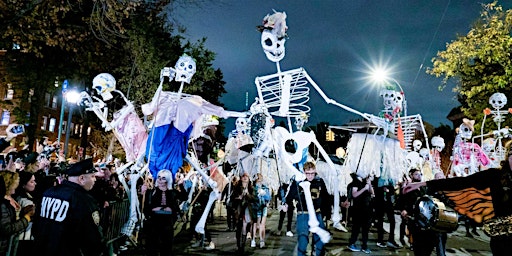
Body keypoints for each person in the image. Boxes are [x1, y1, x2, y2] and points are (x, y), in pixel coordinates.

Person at [403, 140, 512, 256]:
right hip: (502, 240)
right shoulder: (494, 176)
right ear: (508, 157)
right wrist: (422, 184)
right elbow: (460, 182)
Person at [33, 158, 105, 256]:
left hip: (42, 249)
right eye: (92, 176)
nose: (95, 179)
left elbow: (37, 223)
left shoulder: (48, 192)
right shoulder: (84, 200)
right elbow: (91, 236)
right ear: (82, 178)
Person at [287, 161, 330, 256]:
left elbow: (326, 198)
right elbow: (290, 196)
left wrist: (327, 214)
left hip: (317, 213)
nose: (310, 176)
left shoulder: (319, 181)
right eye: (308, 173)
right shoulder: (298, 181)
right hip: (303, 213)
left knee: (319, 241)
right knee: (303, 239)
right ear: (304, 172)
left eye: (312, 173)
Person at [142, 169, 181, 256]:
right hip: (154, 223)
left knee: (166, 248)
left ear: (167, 180)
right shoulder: (151, 192)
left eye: (163, 178)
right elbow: (146, 209)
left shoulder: (172, 193)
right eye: (159, 177)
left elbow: (179, 203)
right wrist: (142, 193)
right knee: (152, 248)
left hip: (167, 223)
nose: (160, 180)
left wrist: (181, 184)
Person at [0, 171, 35, 255]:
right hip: (4, 247)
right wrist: (26, 218)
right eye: (15, 183)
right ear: (8, 184)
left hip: (12, 244)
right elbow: (7, 228)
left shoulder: (12, 198)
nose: (17, 185)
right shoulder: (2, 204)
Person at [395, 169, 427, 252]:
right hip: (409, 209)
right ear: (412, 176)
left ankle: (413, 242)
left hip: (419, 211)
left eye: (420, 174)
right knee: (406, 224)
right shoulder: (409, 187)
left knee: (416, 227)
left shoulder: (423, 187)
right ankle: (403, 239)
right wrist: (403, 209)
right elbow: (403, 199)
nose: (419, 176)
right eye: (416, 174)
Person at [346, 172, 374, 254]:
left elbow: (372, 192)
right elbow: (354, 194)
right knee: (356, 227)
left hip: (366, 208)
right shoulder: (355, 182)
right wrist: (364, 189)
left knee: (366, 228)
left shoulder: (365, 182)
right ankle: (351, 243)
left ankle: (364, 246)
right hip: (357, 208)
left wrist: (369, 184)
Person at [13, 171, 37, 256]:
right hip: (24, 239)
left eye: (34, 180)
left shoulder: (21, 198)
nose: (35, 183)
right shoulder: (25, 201)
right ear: (23, 185)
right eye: (31, 181)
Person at [231, 172, 255, 253]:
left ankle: (243, 245)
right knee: (239, 227)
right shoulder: (237, 188)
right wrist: (239, 197)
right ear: (241, 178)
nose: (245, 178)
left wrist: (248, 194)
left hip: (247, 210)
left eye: (246, 176)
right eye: (243, 176)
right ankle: (239, 245)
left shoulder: (251, 188)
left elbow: (254, 199)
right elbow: (232, 197)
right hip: (239, 210)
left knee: (245, 227)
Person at [374, 178, 401, 249]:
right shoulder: (378, 177)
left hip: (388, 201)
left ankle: (391, 240)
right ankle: (380, 240)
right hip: (380, 201)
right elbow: (375, 189)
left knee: (392, 221)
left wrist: (389, 190)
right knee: (380, 220)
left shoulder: (391, 177)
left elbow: (392, 189)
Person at [250, 172, 271, 248]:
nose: (259, 180)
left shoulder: (265, 188)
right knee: (255, 224)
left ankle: (262, 240)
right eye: (258, 179)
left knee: (262, 225)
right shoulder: (252, 188)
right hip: (255, 208)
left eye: (260, 179)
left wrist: (264, 194)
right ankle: (253, 239)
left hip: (263, 207)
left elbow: (269, 198)